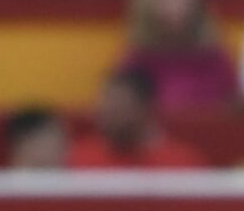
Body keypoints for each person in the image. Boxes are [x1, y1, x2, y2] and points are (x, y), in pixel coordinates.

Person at [67, 65, 210, 171]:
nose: (108, 115)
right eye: (105, 106)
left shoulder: (184, 164)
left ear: (146, 108)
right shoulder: (80, 159)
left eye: (119, 106)